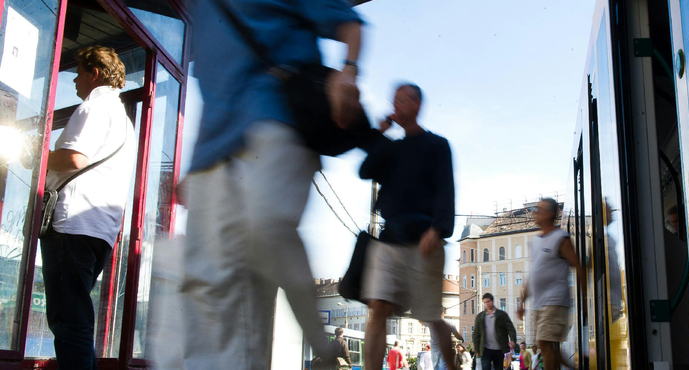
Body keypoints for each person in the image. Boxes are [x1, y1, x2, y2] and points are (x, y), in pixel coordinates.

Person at [182, 0, 364, 368]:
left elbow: (350, 25)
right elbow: (215, 84)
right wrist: (194, 164)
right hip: (214, 148)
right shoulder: (198, 8)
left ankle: (320, 341)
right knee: (208, 284)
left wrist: (348, 73)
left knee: (264, 229)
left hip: (277, 122)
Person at [41, 45, 136, 369]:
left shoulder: (93, 108)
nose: (74, 82)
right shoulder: (124, 122)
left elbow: (74, 158)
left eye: (78, 73)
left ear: (94, 73)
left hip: (72, 224)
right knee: (76, 317)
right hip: (100, 230)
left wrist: (33, 155)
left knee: (68, 321)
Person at [360, 83, 456, 370]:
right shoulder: (392, 149)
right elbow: (365, 170)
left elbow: (445, 190)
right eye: (393, 101)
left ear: (416, 104)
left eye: (400, 101)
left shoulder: (437, 145)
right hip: (389, 241)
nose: (394, 106)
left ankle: (452, 367)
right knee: (378, 308)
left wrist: (437, 230)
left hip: (423, 241)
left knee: (430, 316)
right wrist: (379, 132)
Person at [518, 198, 585, 370]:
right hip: (540, 303)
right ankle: (574, 368)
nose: (535, 213)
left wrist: (583, 299)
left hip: (555, 300)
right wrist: (522, 303)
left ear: (548, 214)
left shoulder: (560, 238)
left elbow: (577, 266)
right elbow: (533, 274)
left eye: (538, 210)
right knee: (548, 347)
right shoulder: (536, 241)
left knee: (545, 343)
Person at [472, 293, 517, 370]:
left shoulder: (502, 315)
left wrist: (513, 340)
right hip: (485, 349)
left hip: (499, 349)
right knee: (485, 367)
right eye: (485, 302)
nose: (487, 304)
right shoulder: (480, 317)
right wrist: (476, 349)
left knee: (498, 368)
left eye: (488, 301)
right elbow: (476, 334)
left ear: (492, 301)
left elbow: (510, 328)